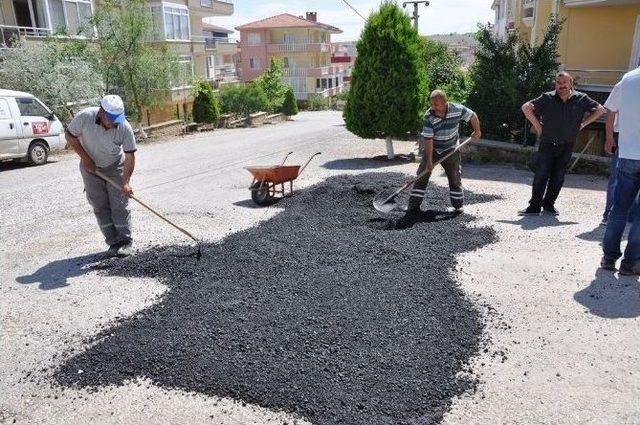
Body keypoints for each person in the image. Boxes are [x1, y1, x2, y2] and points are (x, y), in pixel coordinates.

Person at [519, 71, 605, 216]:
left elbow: (600, 110)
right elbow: (526, 107)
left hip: (567, 144)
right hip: (547, 143)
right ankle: (534, 207)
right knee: (541, 175)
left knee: (558, 177)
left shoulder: (581, 98)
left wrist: (583, 124)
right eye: (558, 83)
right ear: (555, 84)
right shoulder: (547, 98)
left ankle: (549, 205)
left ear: (570, 83)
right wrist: (539, 127)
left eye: (565, 82)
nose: (561, 85)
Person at [65, 95, 137, 257]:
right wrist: (86, 158)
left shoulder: (124, 127)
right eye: (112, 119)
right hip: (90, 168)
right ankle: (113, 242)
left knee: (119, 204)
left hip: (115, 166)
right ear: (101, 113)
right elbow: (70, 136)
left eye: (118, 119)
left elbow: (130, 156)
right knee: (99, 205)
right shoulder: (84, 117)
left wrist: (125, 182)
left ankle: (125, 242)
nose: (116, 123)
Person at [404, 90, 481, 216]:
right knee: (422, 175)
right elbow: (428, 140)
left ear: (445, 102)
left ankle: (458, 206)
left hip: (451, 148)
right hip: (433, 149)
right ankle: (413, 205)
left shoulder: (457, 109)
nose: (433, 107)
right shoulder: (429, 116)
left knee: (455, 176)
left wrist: (477, 131)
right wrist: (429, 160)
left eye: (437, 104)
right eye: (432, 104)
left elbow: (472, 115)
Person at [601, 67, 640, 274]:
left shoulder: (626, 79)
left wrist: (609, 138)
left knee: (619, 208)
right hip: (630, 154)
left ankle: (608, 258)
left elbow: (611, 110)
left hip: (629, 154)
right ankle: (631, 263)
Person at [601, 113, 640, 225]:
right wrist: (609, 137)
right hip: (624, 135)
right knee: (617, 178)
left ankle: (631, 216)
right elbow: (611, 112)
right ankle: (610, 214)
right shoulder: (623, 93)